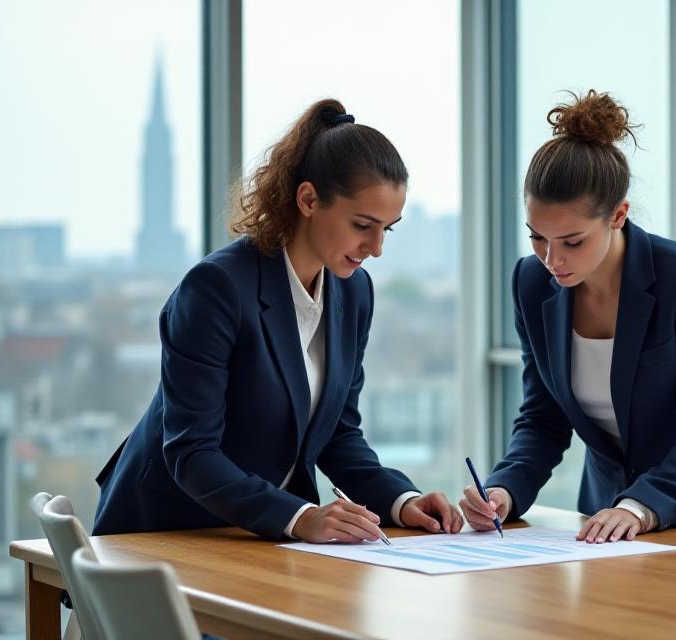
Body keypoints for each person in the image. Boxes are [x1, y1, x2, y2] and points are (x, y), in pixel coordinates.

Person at [94, 98, 463, 543]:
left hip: (259, 540)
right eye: (363, 224)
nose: (377, 247)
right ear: (308, 199)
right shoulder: (217, 288)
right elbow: (192, 452)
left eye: (389, 227)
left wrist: (401, 501)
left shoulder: (352, 290)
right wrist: (301, 517)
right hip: (165, 532)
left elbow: (338, 435)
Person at [460, 90, 676, 545]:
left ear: (618, 215)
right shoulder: (530, 282)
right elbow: (543, 417)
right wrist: (505, 488)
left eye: (572, 241)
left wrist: (640, 506)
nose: (551, 260)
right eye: (537, 238)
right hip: (613, 517)